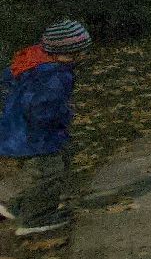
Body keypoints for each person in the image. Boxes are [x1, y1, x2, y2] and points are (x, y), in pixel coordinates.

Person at [0, 19, 91, 235]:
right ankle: (35, 218)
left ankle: (19, 205)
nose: (86, 55)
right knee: (48, 173)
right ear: (73, 52)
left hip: (15, 130)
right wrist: (63, 115)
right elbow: (42, 107)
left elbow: (7, 84)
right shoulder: (54, 75)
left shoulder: (32, 62)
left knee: (47, 167)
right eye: (84, 50)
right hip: (35, 135)